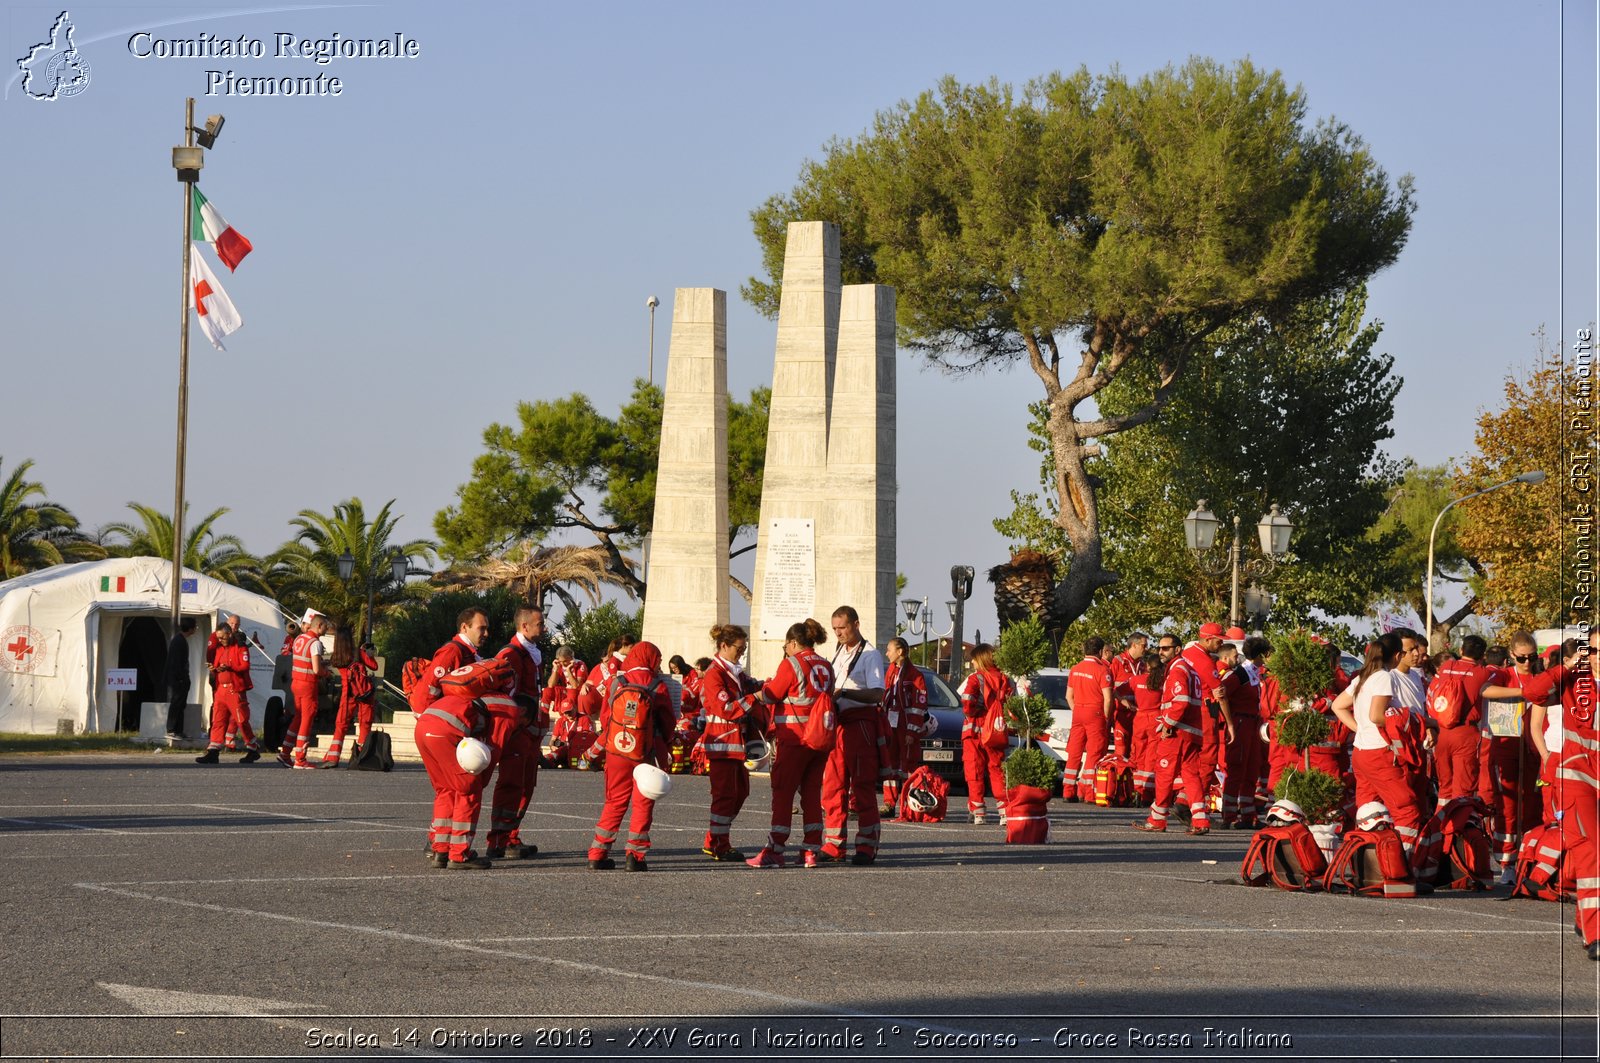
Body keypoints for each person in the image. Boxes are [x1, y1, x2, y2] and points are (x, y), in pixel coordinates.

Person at [746, 619, 833, 869]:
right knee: (811, 795)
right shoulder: (825, 665)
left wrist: (756, 693)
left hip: (795, 738)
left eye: (786, 645)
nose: (785, 649)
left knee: (783, 793)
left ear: (793, 643)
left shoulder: (792, 663)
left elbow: (772, 694)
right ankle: (811, 850)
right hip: (820, 739)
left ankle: (776, 848)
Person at [1331, 632, 1428, 857]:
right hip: (1380, 753)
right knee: (1407, 810)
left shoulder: (1363, 676)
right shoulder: (1384, 676)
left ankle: (1364, 862)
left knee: (1367, 811)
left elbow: (1338, 706)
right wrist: (1410, 720)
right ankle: (1400, 864)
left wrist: (1359, 728)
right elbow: (1377, 715)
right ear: (1396, 655)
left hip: (1362, 751)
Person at [587, 642, 675, 872]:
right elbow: (668, 723)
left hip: (617, 750)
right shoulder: (658, 685)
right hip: (646, 751)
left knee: (615, 801)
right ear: (652, 659)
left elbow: (606, 719)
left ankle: (598, 853)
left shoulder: (618, 681)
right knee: (642, 803)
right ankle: (635, 856)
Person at [1135, 623, 1229, 835]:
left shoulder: (1178, 669)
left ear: (1177, 649)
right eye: (1159, 648)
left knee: (1165, 773)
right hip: (1192, 731)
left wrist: (1168, 724)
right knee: (1191, 776)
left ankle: (1157, 819)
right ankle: (1201, 820)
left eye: (1166, 648)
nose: (1161, 652)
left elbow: (1181, 701)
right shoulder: (1190, 669)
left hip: (1177, 732)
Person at [1476, 630, 1549, 883]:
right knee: (1507, 807)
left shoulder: (1541, 675)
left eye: (1532, 657)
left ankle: (1527, 857)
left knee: (1531, 806)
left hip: (1531, 748)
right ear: (1511, 655)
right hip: (1506, 745)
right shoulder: (1504, 674)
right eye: (1522, 658)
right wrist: (1521, 692)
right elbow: (1485, 690)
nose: (1527, 663)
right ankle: (1506, 861)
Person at [416, 670, 508, 870]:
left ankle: (440, 850)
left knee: (445, 789)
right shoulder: (506, 706)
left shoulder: (460, 695)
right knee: (469, 789)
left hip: (424, 725)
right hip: (445, 730)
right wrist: (481, 780)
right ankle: (459, 854)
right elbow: (495, 746)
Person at [821, 605, 888, 864]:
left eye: (843, 628)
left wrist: (845, 693)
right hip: (839, 726)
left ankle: (866, 847)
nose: (838, 633)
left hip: (860, 726)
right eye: (835, 628)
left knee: (862, 788)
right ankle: (833, 845)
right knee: (833, 786)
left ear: (856, 625)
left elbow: (876, 693)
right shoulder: (839, 651)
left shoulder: (870, 655)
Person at [486, 607, 546, 858]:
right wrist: (522, 725)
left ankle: (511, 835)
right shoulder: (511, 654)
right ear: (524, 627)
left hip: (530, 732)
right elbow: (508, 695)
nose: (543, 627)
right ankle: (498, 840)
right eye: (540, 624)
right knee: (512, 783)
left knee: (526, 785)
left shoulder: (530, 653)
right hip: (518, 732)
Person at [699, 624, 759, 861]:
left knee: (740, 793)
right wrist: (754, 699)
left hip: (737, 744)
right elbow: (725, 708)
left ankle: (714, 838)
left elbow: (755, 686)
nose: (742, 653)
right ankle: (718, 845)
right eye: (739, 648)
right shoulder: (715, 674)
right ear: (724, 646)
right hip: (722, 745)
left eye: (744, 648)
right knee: (725, 796)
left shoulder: (735, 672)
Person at [1432, 634, 1496, 807]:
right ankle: (1458, 832)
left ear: (1461, 650)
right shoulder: (1482, 673)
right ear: (1482, 656)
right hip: (1465, 734)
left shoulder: (1447, 666)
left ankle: (1440, 830)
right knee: (1463, 790)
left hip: (1442, 732)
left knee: (1444, 789)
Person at [1218, 637, 1270, 829]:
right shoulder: (1240, 674)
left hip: (1254, 724)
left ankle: (1248, 814)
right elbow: (1221, 694)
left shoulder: (1257, 673)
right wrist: (1230, 723)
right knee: (1236, 768)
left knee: (1252, 768)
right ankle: (1229, 815)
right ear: (1261, 655)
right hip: (1240, 723)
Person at [959, 643, 1014, 825]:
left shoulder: (976, 679)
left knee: (974, 771)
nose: (972, 662)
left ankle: (978, 812)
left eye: (974, 659)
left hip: (975, 730)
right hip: (996, 731)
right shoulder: (1005, 679)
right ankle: (1004, 811)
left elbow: (967, 701)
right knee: (997, 770)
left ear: (980, 659)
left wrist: (971, 714)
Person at [195, 624, 261, 764]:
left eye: (222, 637)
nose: (220, 640)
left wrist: (230, 667)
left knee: (241, 720)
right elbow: (219, 666)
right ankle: (213, 751)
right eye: (218, 638)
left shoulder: (241, 648)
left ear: (229, 634)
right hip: (221, 690)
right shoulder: (220, 649)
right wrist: (215, 668)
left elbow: (244, 666)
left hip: (234, 690)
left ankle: (253, 748)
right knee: (218, 720)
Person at [880, 637, 929, 813]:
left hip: (906, 725)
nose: (887, 653)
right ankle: (889, 803)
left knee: (909, 765)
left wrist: (912, 731)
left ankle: (911, 804)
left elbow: (918, 706)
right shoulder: (891, 671)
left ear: (900, 652)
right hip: (891, 724)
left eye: (889, 649)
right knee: (890, 764)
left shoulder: (915, 675)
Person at [1062, 636, 1114, 802]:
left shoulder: (1075, 668)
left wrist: (1077, 709)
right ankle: (1087, 793)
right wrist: (1105, 717)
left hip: (1078, 712)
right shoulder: (1102, 670)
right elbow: (1108, 698)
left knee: (1074, 752)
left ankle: (1067, 791)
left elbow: (1068, 696)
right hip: (1095, 713)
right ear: (1100, 652)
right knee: (1094, 753)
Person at [278, 614, 330, 769]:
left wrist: (320, 663)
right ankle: (300, 759)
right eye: (325, 625)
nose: (327, 628)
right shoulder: (315, 643)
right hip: (308, 684)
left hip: (296, 682)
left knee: (298, 717)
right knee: (307, 720)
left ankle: (285, 753)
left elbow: (303, 659)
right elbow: (316, 669)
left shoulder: (300, 639)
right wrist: (326, 672)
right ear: (319, 626)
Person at [1129, 637, 1177, 801]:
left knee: (1138, 755)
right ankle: (1148, 793)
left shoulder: (1136, 680)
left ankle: (1136, 789)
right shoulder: (1164, 681)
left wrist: (1127, 704)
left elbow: (1117, 690)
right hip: (1156, 719)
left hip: (1140, 718)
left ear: (1147, 666)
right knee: (1151, 757)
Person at [323, 629, 376, 767]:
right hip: (364, 693)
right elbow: (374, 666)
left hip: (347, 693)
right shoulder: (358, 652)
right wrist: (369, 654)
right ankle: (361, 755)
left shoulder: (337, 656)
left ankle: (333, 757)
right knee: (365, 723)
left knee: (341, 724)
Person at [1109, 633, 1148, 759]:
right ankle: (1118, 776)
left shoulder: (1142, 665)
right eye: (1144, 645)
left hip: (1137, 714)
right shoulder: (1118, 661)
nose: (1146, 648)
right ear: (1134, 645)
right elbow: (1109, 686)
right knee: (1121, 750)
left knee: (1136, 750)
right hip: (1121, 713)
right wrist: (1122, 700)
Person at [163, 617, 196, 739]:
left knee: (181, 704)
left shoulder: (180, 640)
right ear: (191, 628)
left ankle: (178, 730)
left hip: (180, 678)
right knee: (176, 703)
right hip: (178, 679)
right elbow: (176, 662)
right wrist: (180, 678)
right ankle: (171, 728)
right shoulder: (178, 641)